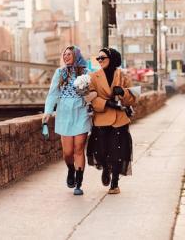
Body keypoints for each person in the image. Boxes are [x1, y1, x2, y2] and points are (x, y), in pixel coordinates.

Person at [42, 46, 92, 196]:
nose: (66, 56)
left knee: (78, 149)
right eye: (64, 54)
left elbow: (93, 93)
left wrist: (87, 94)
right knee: (68, 152)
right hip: (64, 113)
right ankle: (71, 169)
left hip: (80, 112)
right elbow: (52, 94)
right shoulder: (60, 73)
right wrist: (48, 112)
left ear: (76, 55)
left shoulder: (86, 73)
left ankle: (79, 183)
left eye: (69, 54)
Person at [87, 47, 136, 194]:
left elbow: (133, 97)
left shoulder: (122, 76)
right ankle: (105, 168)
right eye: (98, 58)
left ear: (112, 59)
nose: (100, 61)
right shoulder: (93, 76)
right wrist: (106, 103)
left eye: (103, 58)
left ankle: (115, 183)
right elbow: (90, 96)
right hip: (101, 118)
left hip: (119, 119)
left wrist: (123, 92)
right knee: (101, 152)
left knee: (118, 152)